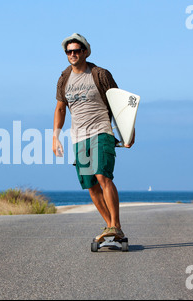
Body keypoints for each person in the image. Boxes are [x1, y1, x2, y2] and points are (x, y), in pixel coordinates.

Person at [52, 33, 135, 241]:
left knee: (102, 175)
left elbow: (119, 103)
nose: (72, 54)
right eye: (68, 51)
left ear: (85, 52)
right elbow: (60, 109)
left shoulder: (100, 74)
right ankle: (110, 227)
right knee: (90, 184)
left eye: (76, 51)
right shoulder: (64, 78)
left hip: (101, 131)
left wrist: (129, 130)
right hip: (78, 137)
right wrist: (56, 136)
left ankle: (116, 225)